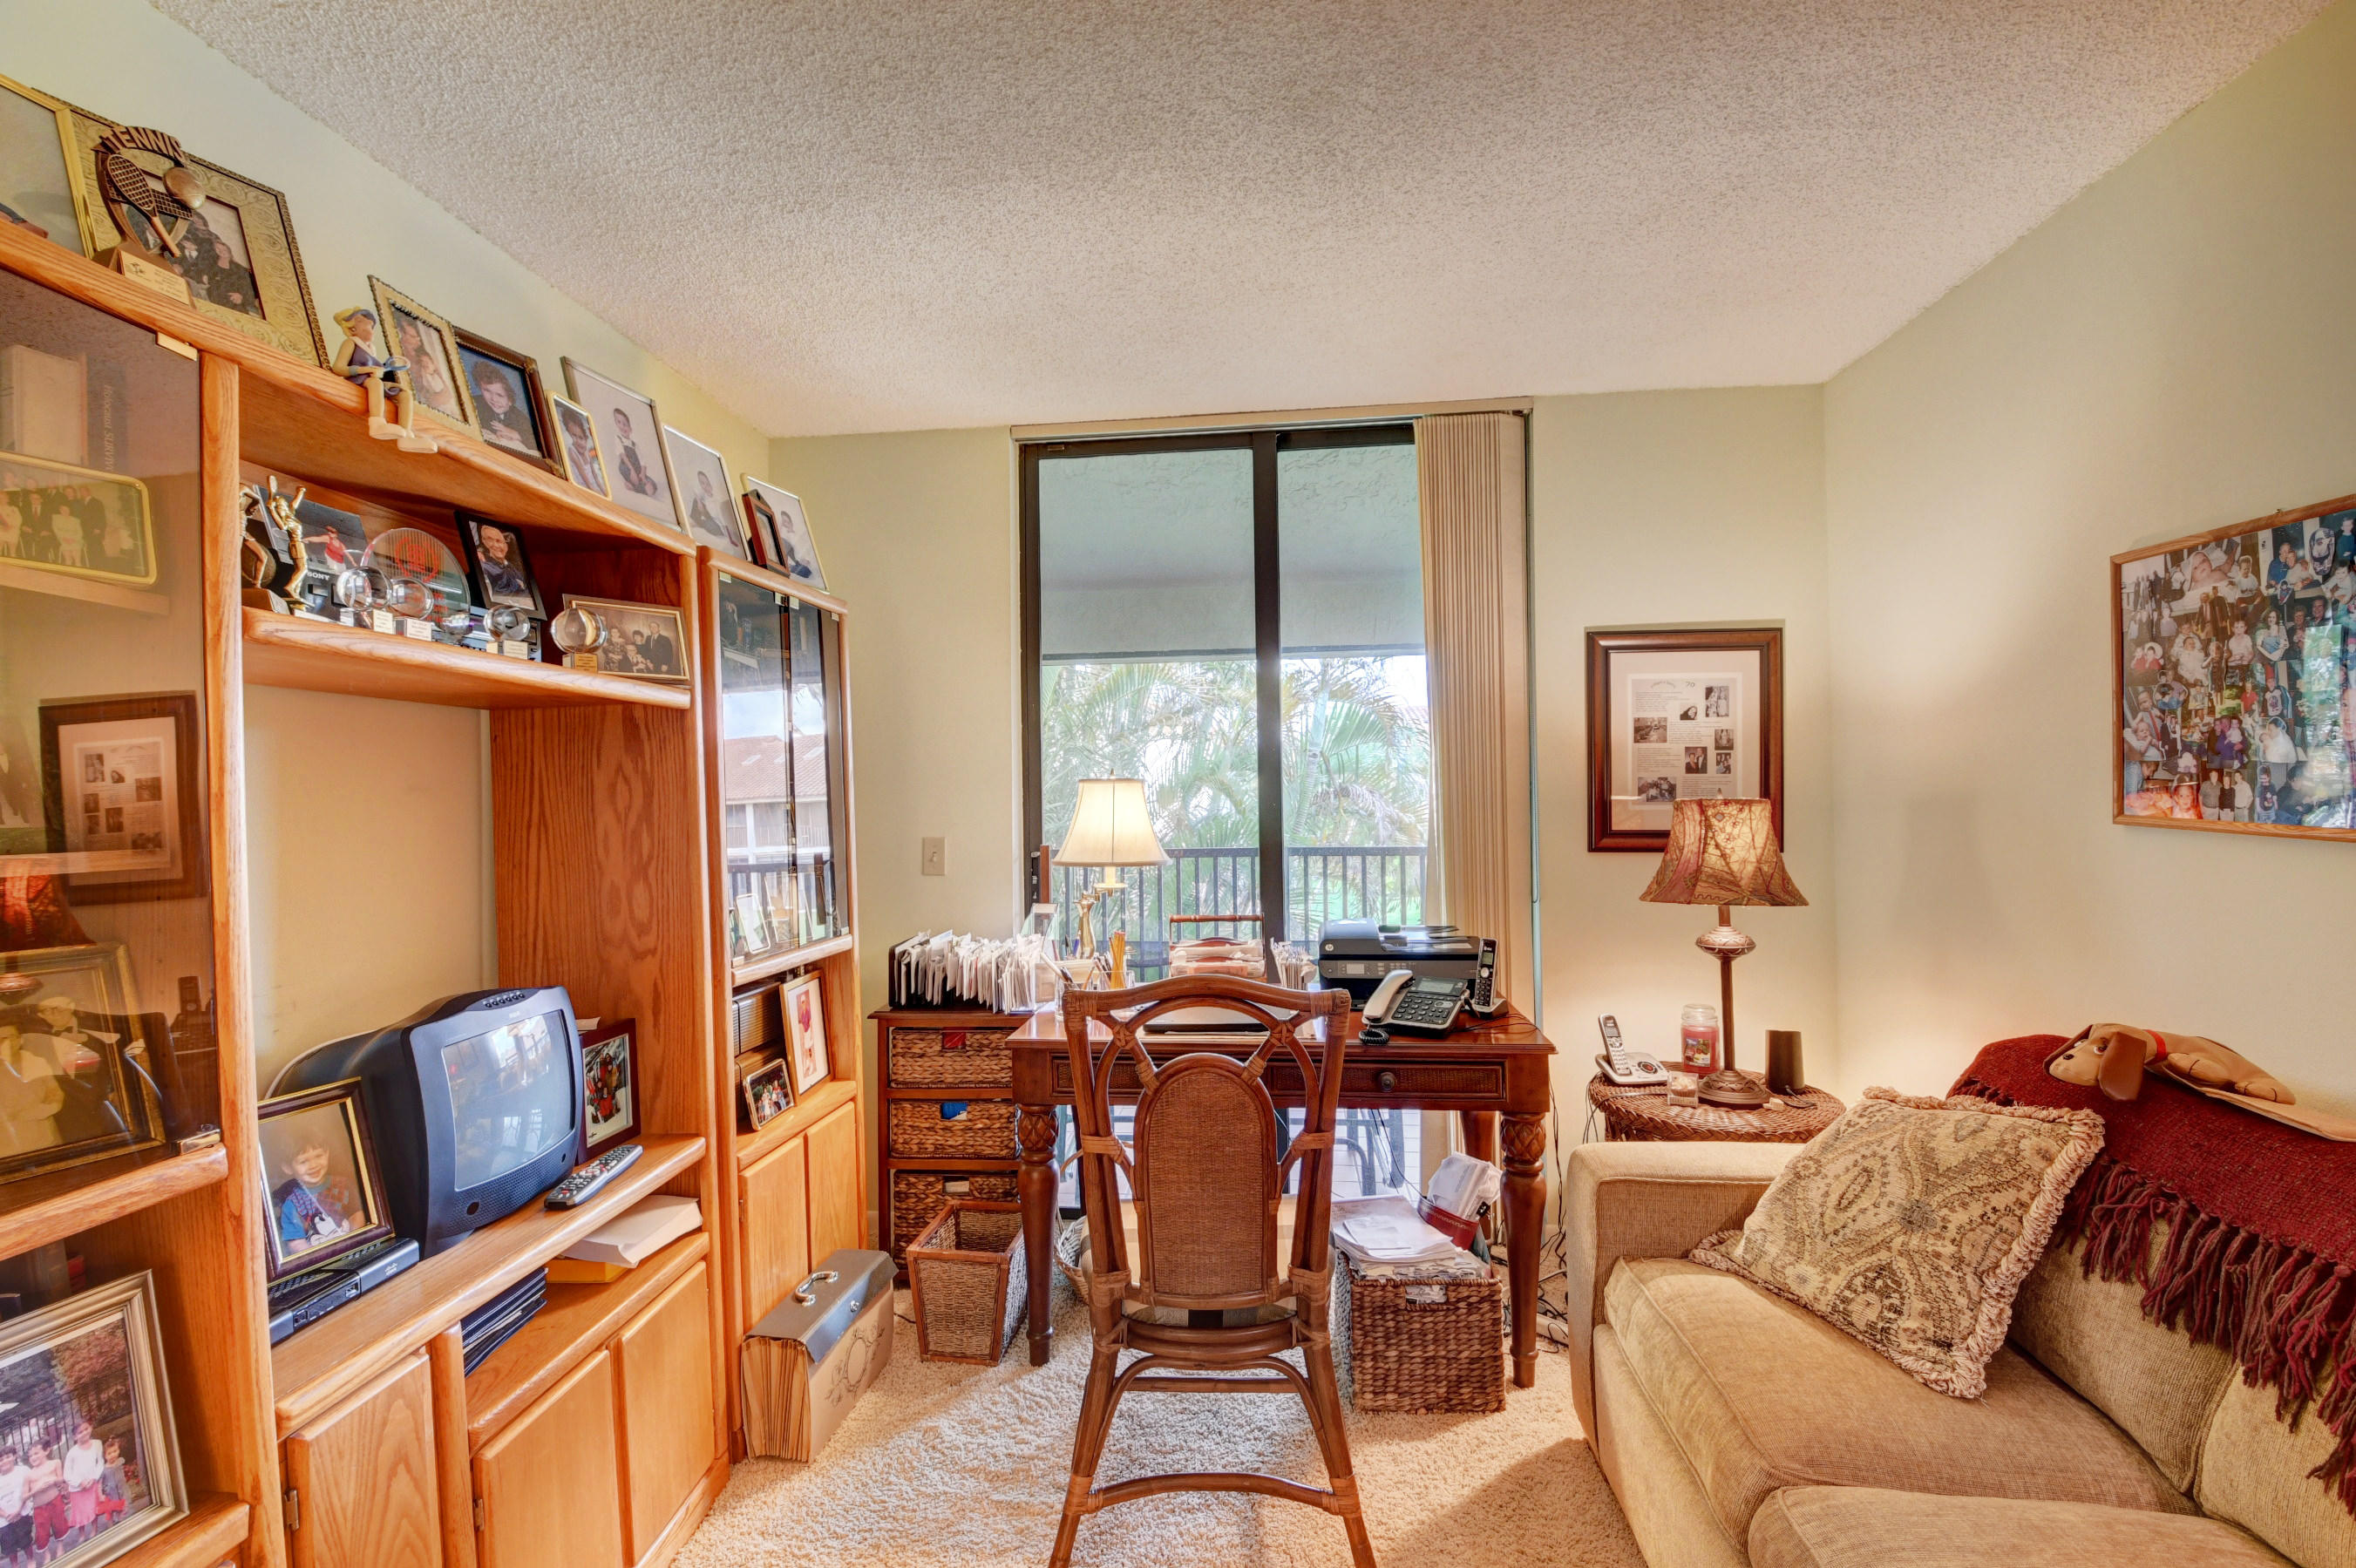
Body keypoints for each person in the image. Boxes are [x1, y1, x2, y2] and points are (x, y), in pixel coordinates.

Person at [273, 1128, 361, 1259]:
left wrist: (352, 1244)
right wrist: (318, 1258)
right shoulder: (290, 1203)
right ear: (288, 1168)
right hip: (319, 1260)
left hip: (352, 1252)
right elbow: (296, 1242)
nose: (313, 1165)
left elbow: (357, 1216)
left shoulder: (344, 1185)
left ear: (327, 1154)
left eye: (319, 1156)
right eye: (303, 1161)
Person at [0, 1026, 63, 1157]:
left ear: (20, 1040)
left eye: (11, 1037)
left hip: (44, 1139)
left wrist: (43, 1110)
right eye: (1, 1039)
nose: (6, 1043)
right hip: (8, 1146)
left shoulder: (37, 1062)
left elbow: (56, 1093)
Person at [471, 367, 533, 452]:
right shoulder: (474, 403)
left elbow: (533, 440)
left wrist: (518, 435)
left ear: (510, 401)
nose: (493, 399)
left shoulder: (520, 418)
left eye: (500, 395)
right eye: (487, 391)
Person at [60, 1422, 101, 1548]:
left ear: (91, 1428)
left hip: (91, 1483)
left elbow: (100, 1463)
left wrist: (93, 1478)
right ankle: (82, 1534)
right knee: (80, 1513)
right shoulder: (72, 1453)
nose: (84, 1433)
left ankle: (94, 1529)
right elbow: (67, 1474)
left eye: (86, 1429)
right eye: (80, 1432)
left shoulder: (97, 1444)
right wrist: (80, 1482)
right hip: (78, 1488)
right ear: (75, 1437)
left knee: (93, 1508)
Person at [23, 1442, 61, 1563]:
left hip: (55, 1500)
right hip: (40, 1507)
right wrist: (36, 1489)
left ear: (46, 1451)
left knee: (59, 1525)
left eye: (36, 1453)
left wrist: (54, 1480)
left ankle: (60, 1546)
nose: (33, 1457)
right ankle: (46, 1554)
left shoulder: (55, 1463)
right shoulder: (29, 1475)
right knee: (42, 1533)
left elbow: (61, 1479)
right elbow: (24, 1496)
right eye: (30, 1456)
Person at [610, 410, 661, 499]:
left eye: (625, 424)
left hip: (638, 470)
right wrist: (632, 470)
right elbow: (623, 455)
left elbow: (643, 463)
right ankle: (635, 487)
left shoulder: (634, 445)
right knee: (637, 480)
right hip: (626, 467)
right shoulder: (618, 439)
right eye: (619, 422)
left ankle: (635, 487)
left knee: (653, 486)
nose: (622, 426)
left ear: (630, 429)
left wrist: (643, 475)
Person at [473, 526, 530, 603]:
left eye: (499, 541)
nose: (496, 545)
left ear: (506, 545)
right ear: (484, 541)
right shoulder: (485, 566)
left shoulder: (512, 567)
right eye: (490, 540)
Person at [559, 407, 606, 495]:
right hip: (583, 491)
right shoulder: (572, 452)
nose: (577, 441)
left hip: (593, 489)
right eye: (573, 436)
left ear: (586, 438)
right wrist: (598, 494)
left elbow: (595, 477)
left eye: (580, 437)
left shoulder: (587, 452)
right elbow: (587, 483)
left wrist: (604, 493)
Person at [0, 1447, 28, 1568]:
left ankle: (31, 1560)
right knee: (9, 1545)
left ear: (15, 1456)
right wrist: (6, 1515)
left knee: (26, 1540)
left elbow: (27, 1491)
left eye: (7, 1457)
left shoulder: (23, 1471)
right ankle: (15, 1565)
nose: (4, 1461)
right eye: (1, 1459)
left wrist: (18, 1511)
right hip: (4, 1520)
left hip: (22, 1513)